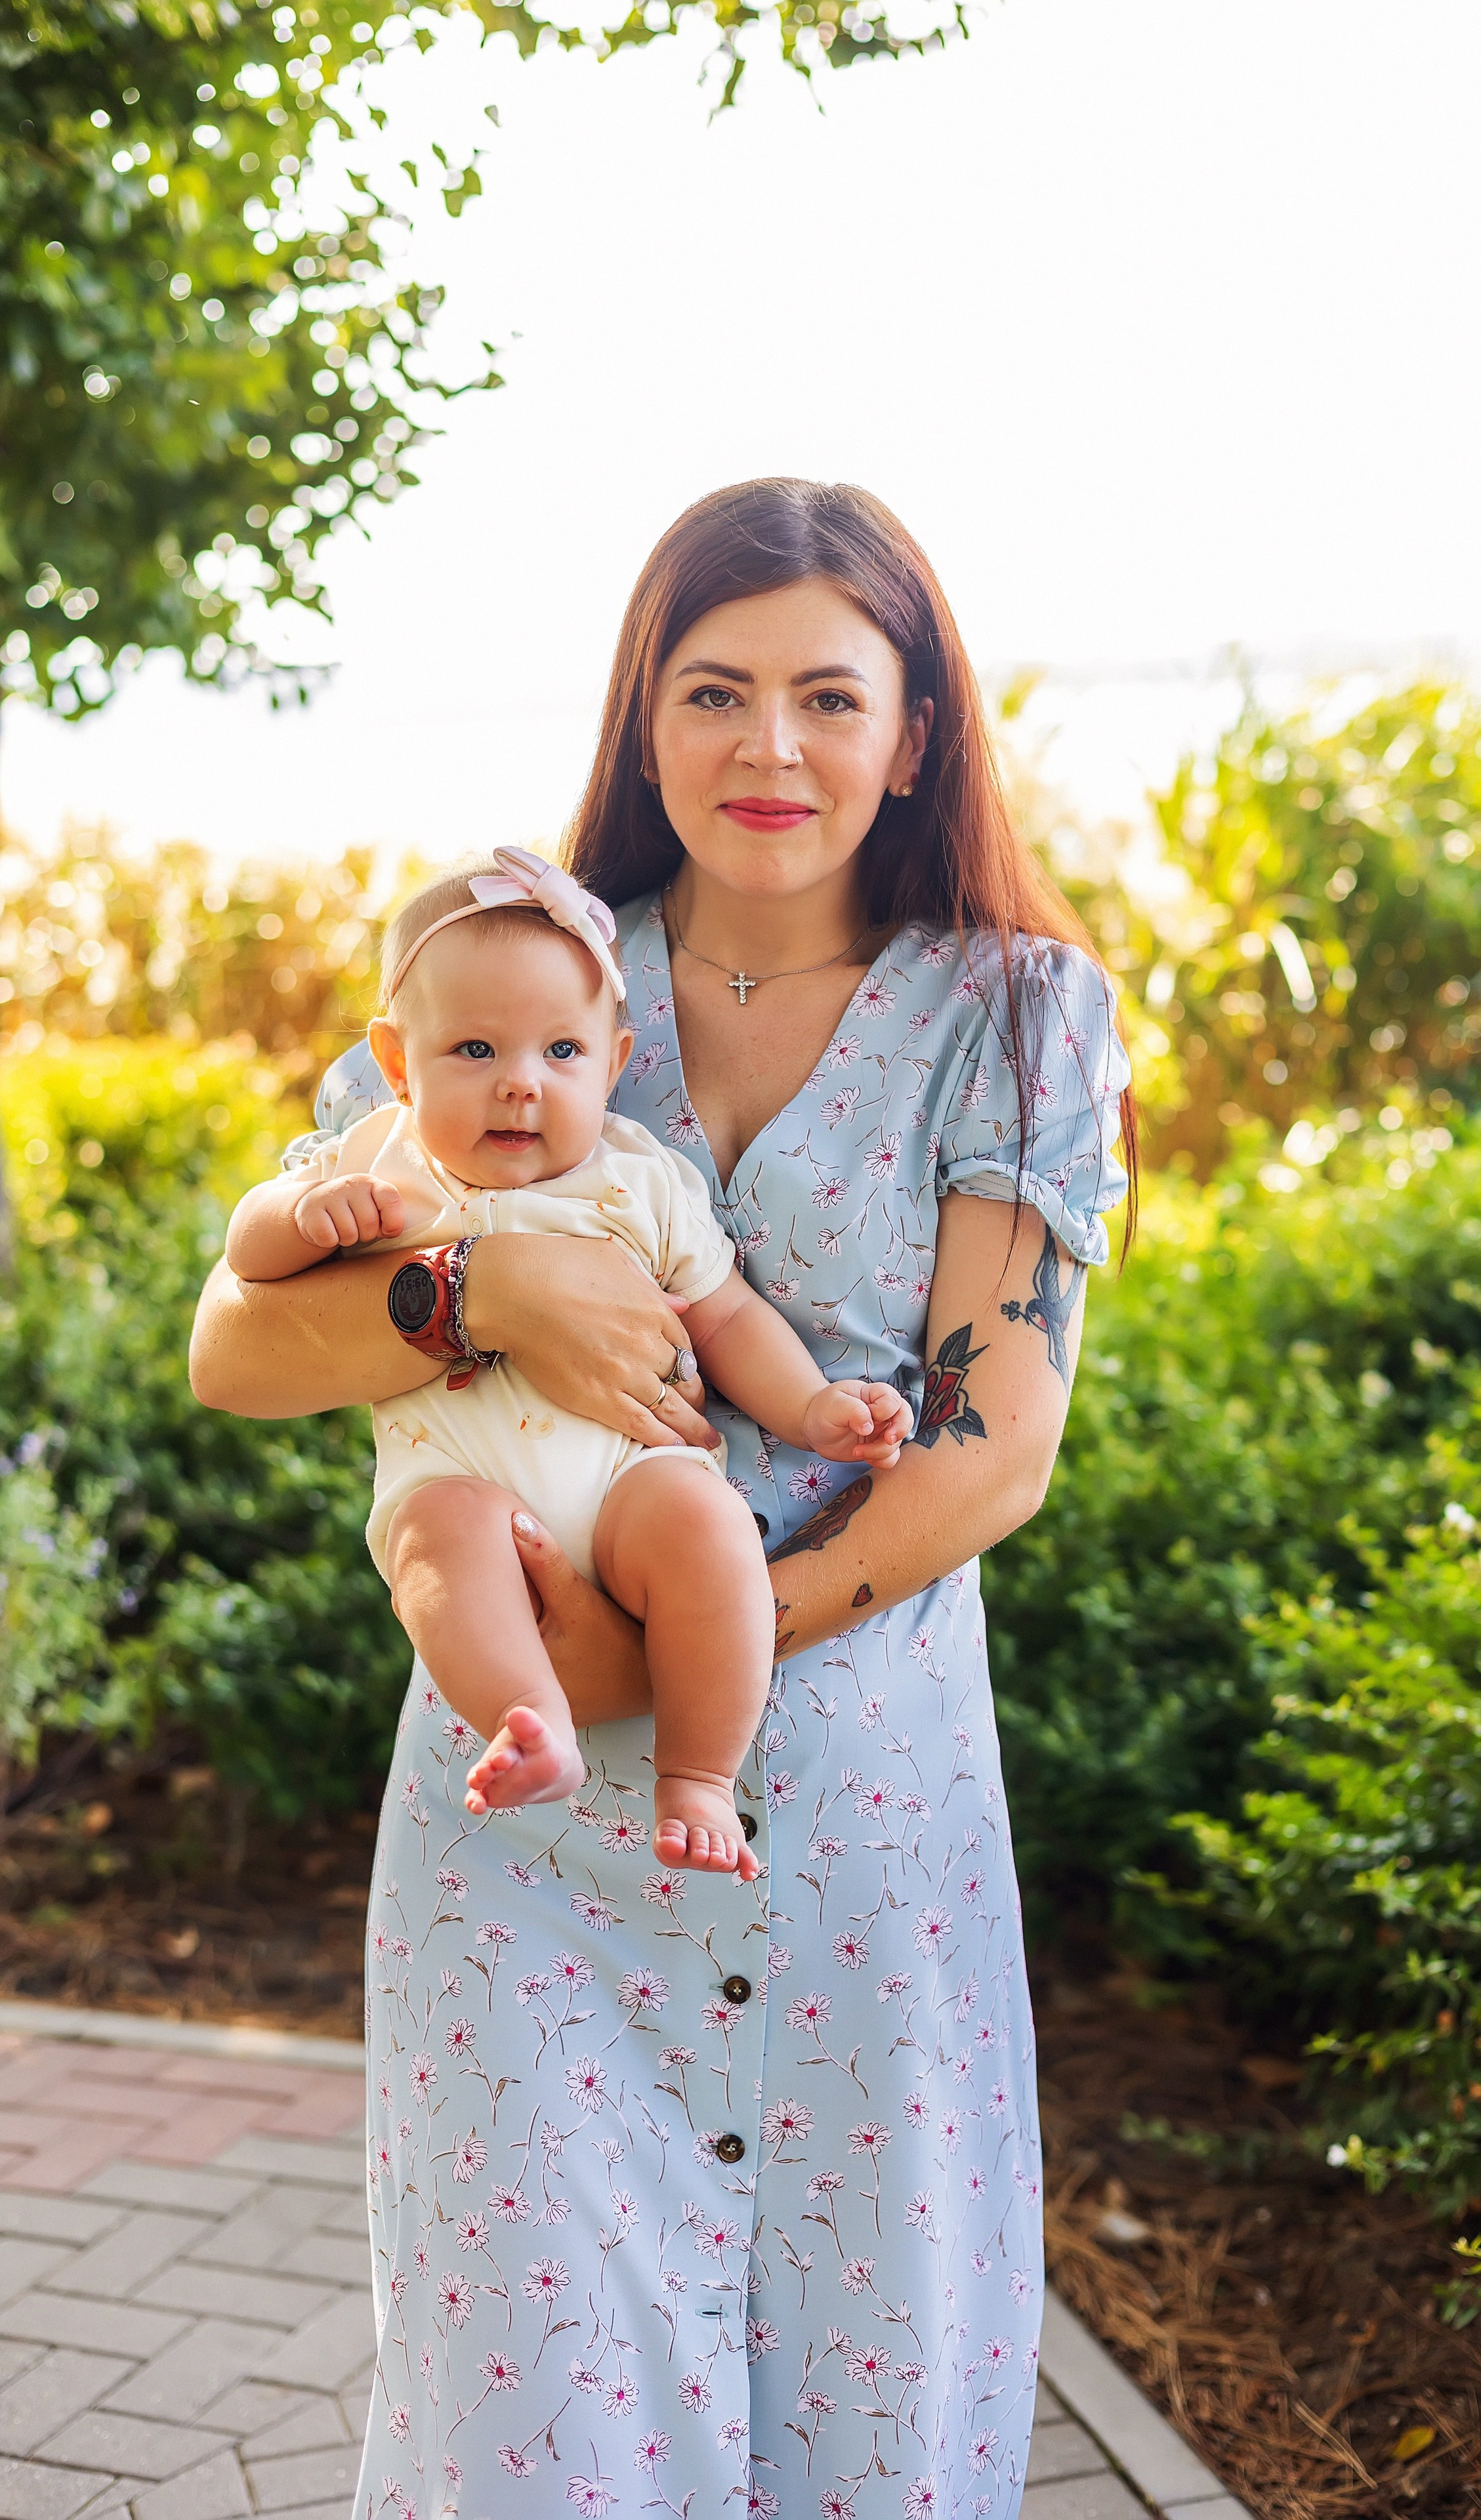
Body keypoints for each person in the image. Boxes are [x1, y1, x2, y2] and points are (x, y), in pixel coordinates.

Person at [190, 477, 1136, 2520]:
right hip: (518, 1840)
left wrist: (694, 1643)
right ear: (643, 722)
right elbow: (246, 1345)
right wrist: (478, 1280)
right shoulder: (509, 967)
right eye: (712, 694)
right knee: (528, 2395)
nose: (768, 749)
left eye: (826, 696)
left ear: (915, 733)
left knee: (864, 2380)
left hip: (858, 1813)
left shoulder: (1018, 1014)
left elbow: (996, 1444)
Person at [220, 849, 911, 1872]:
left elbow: (723, 1319)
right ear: (398, 1062)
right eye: (472, 1050)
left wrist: (812, 1408)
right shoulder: (382, 1157)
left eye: (560, 1052)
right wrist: (300, 1214)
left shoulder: (641, 1178)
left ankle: (700, 1775)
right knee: (436, 1546)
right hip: (465, 1486)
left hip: (631, 1477)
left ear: (615, 1056)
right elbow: (247, 1261)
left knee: (707, 1528)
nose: (518, 1084)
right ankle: (529, 1721)